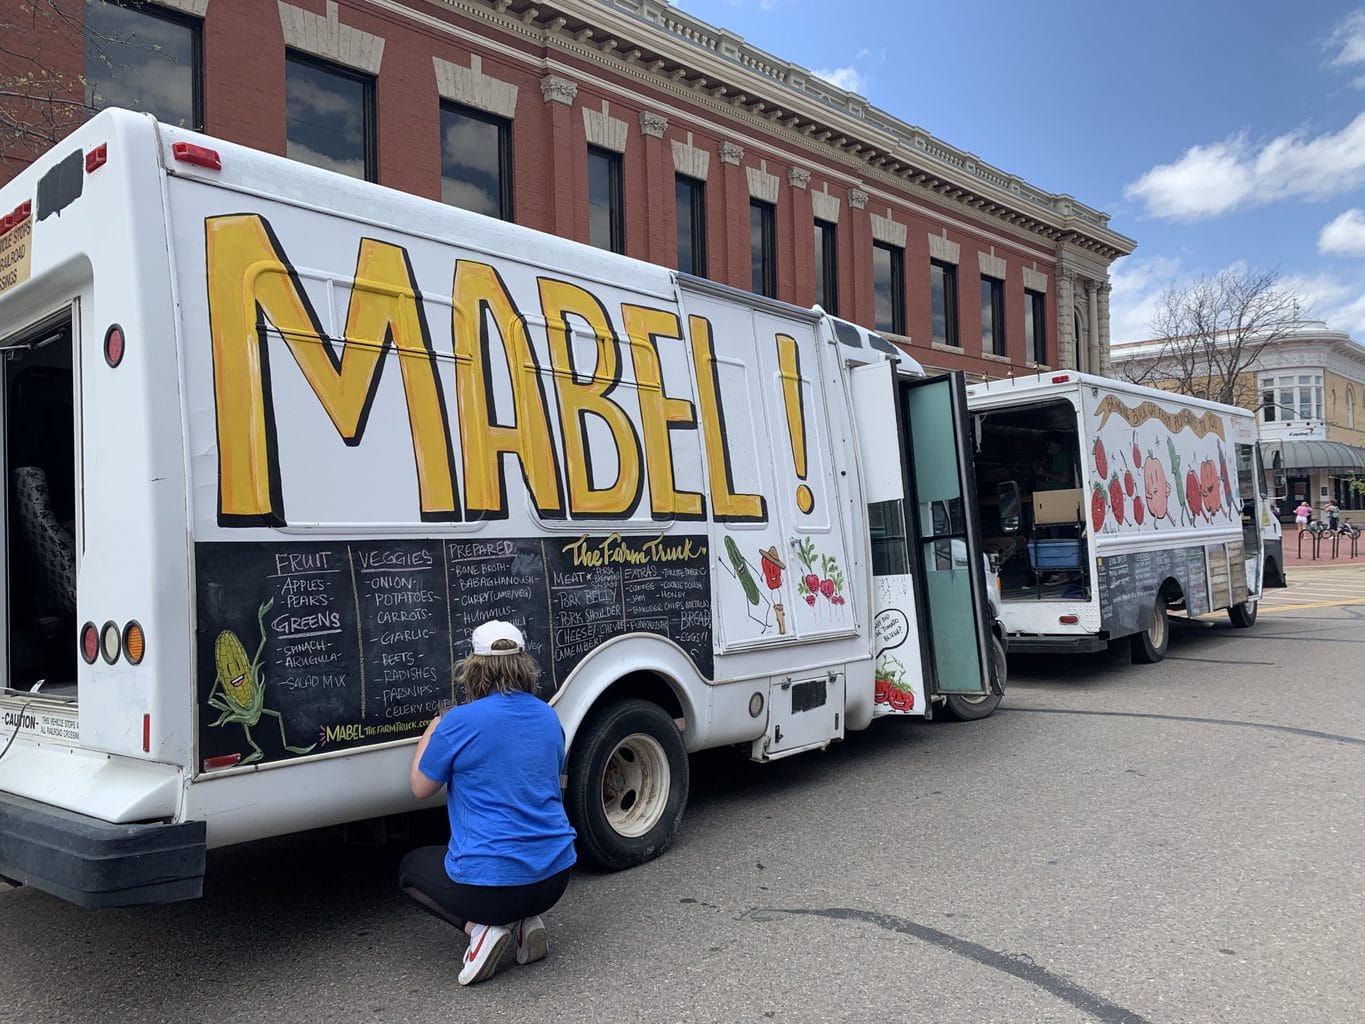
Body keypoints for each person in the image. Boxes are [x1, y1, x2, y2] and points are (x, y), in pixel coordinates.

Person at [399, 620, 576, 986]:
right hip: (555, 879)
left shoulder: (459, 722)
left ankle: (481, 931)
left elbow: (420, 787)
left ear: (473, 669)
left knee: (410, 869)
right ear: (524, 665)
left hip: (494, 890)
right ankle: (526, 924)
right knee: (518, 875)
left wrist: (433, 730)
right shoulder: (548, 716)